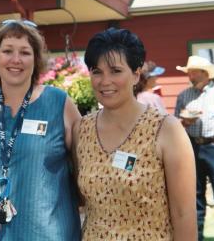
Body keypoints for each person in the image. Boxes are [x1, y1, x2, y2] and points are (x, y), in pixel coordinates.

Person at [0, 19, 82, 240]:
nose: (16, 60)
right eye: (7, 51)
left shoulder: (60, 104)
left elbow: (85, 167)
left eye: (25, 52)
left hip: (44, 233)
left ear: (36, 59)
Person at [75, 27, 197, 240]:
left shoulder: (166, 130)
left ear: (136, 74)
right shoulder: (82, 129)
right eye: (97, 71)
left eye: (115, 71)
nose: (105, 81)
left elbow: (184, 214)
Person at [175, 55, 214, 240]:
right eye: (188, 72)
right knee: (196, 194)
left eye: (192, 71)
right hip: (192, 147)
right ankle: (196, 236)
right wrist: (184, 122)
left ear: (204, 73)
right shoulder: (184, 95)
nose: (189, 75)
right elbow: (176, 123)